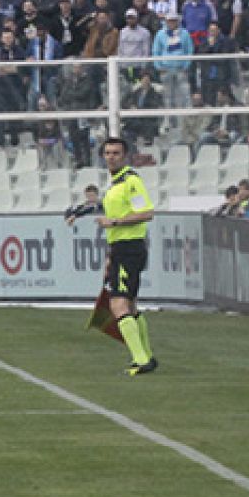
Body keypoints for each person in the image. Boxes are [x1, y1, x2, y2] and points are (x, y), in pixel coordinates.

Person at [98, 137, 157, 375]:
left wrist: (114, 221)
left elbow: (146, 213)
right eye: (108, 153)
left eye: (116, 153)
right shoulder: (116, 184)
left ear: (125, 156)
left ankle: (141, 359)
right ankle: (147, 355)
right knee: (130, 304)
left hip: (129, 248)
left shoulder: (131, 181)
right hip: (121, 249)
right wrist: (110, 256)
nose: (111, 157)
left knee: (118, 303)